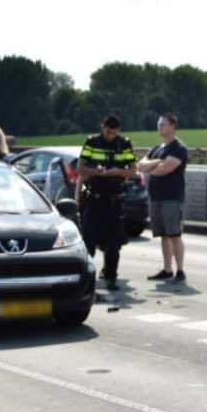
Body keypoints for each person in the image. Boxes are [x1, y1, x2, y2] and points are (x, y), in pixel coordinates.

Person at [77, 113, 137, 289]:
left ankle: (111, 276)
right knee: (88, 239)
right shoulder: (92, 142)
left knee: (114, 241)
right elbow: (80, 168)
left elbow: (133, 171)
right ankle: (84, 277)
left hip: (114, 199)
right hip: (95, 198)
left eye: (115, 133)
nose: (111, 136)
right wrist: (96, 171)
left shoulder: (124, 144)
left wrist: (117, 171)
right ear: (102, 127)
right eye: (108, 132)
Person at [137, 112, 188, 283]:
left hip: (172, 197)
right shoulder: (156, 148)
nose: (159, 126)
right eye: (158, 123)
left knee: (174, 234)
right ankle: (167, 269)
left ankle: (180, 270)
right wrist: (157, 162)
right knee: (163, 235)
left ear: (173, 126)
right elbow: (140, 165)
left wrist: (153, 166)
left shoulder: (178, 148)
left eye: (163, 123)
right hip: (156, 197)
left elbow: (165, 169)